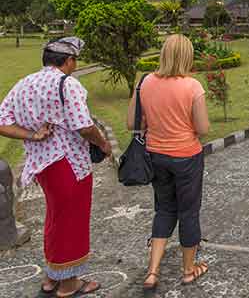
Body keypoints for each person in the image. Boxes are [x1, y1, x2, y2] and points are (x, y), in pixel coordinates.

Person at [0, 37, 111, 297]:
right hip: (69, 163)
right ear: (69, 60)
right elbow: (84, 126)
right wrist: (103, 144)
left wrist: (32, 135)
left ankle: (52, 276)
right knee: (71, 220)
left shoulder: (23, 84)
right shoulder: (67, 84)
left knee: (55, 217)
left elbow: (2, 120)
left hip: (42, 164)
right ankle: (69, 284)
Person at [129, 34, 211, 289]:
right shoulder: (192, 86)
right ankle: (188, 269)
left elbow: (131, 123)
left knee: (164, 209)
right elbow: (203, 127)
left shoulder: (145, 83)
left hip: (156, 156)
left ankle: (152, 272)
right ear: (187, 56)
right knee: (188, 211)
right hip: (186, 156)